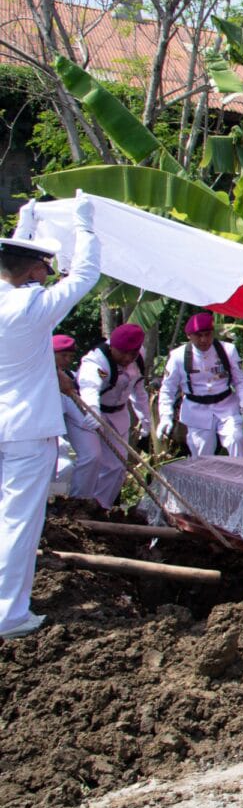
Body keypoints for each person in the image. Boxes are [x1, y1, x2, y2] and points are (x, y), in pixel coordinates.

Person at [1, 197, 100, 638]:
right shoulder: (30, 307)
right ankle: (9, 615)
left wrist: (26, 223)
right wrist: (85, 225)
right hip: (25, 430)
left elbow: (13, 262)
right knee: (18, 523)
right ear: (32, 272)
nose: (48, 273)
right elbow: (85, 275)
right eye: (44, 266)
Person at [73, 323, 150, 507]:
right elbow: (89, 387)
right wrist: (93, 411)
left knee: (117, 465)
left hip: (118, 413)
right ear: (112, 347)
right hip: (88, 411)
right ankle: (78, 503)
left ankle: (101, 506)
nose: (127, 358)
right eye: (122, 353)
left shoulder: (139, 357)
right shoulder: (96, 361)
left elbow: (139, 392)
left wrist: (146, 422)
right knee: (91, 457)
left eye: (132, 354)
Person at [157, 312, 243, 458]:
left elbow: (239, 380)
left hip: (226, 406)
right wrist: (165, 416)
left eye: (207, 334)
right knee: (202, 454)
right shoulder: (178, 357)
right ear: (189, 336)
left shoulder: (227, 351)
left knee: (236, 439)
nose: (204, 340)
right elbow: (167, 389)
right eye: (198, 335)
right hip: (197, 411)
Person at [52, 334, 98, 498]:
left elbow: (79, 417)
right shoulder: (38, 379)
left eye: (70, 356)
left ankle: (78, 499)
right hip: (41, 432)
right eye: (63, 355)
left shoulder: (71, 379)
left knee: (91, 456)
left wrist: (92, 420)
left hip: (60, 430)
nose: (67, 360)